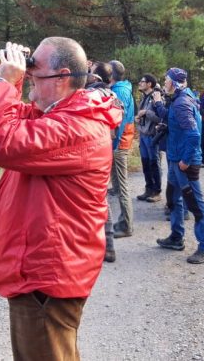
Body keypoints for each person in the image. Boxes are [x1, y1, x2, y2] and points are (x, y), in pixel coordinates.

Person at [0, 39, 122, 360]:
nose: (28, 76)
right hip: (46, 272)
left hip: (48, 277)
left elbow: (0, 143)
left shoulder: (77, 127)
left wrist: (6, 81)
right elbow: (11, 116)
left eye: (35, 72)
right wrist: (6, 76)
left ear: (61, 77)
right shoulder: (61, 114)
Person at [153, 67, 204, 264]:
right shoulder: (181, 98)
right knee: (173, 199)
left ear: (174, 82)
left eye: (166, 80)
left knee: (195, 205)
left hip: (184, 163)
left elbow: (194, 134)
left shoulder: (181, 103)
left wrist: (186, 161)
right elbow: (175, 121)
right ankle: (176, 237)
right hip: (175, 158)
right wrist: (157, 107)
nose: (164, 83)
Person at [86, 61, 118, 262]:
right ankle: (109, 245)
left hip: (92, 152)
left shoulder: (93, 95)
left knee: (96, 201)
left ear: (96, 78)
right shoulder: (111, 95)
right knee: (101, 198)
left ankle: (101, 246)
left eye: (89, 73)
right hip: (104, 149)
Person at [108, 60, 136, 238]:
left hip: (120, 143)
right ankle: (124, 220)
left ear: (111, 74)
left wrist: (114, 144)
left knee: (123, 186)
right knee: (118, 185)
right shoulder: (122, 88)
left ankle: (127, 225)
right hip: (122, 141)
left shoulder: (119, 92)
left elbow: (120, 120)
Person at [136, 73, 163, 203]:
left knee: (154, 164)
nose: (140, 83)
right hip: (143, 135)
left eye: (142, 81)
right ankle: (148, 189)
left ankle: (157, 192)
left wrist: (146, 112)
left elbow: (160, 118)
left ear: (149, 84)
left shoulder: (156, 98)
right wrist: (138, 117)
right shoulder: (144, 98)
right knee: (145, 163)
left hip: (152, 136)